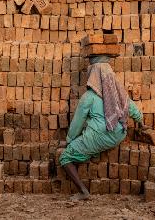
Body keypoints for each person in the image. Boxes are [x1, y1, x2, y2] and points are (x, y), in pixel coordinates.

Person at [59, 55, 144, 200]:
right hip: (120, 134)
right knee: (90, 130)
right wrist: (141, 123)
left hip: (101, 135)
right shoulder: (118, 92)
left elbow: (77, 124)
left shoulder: (88, 97)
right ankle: (93, 152)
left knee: (65, 157)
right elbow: (134, 110)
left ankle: (83, 192)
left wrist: (69, 140)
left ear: (93, 76)